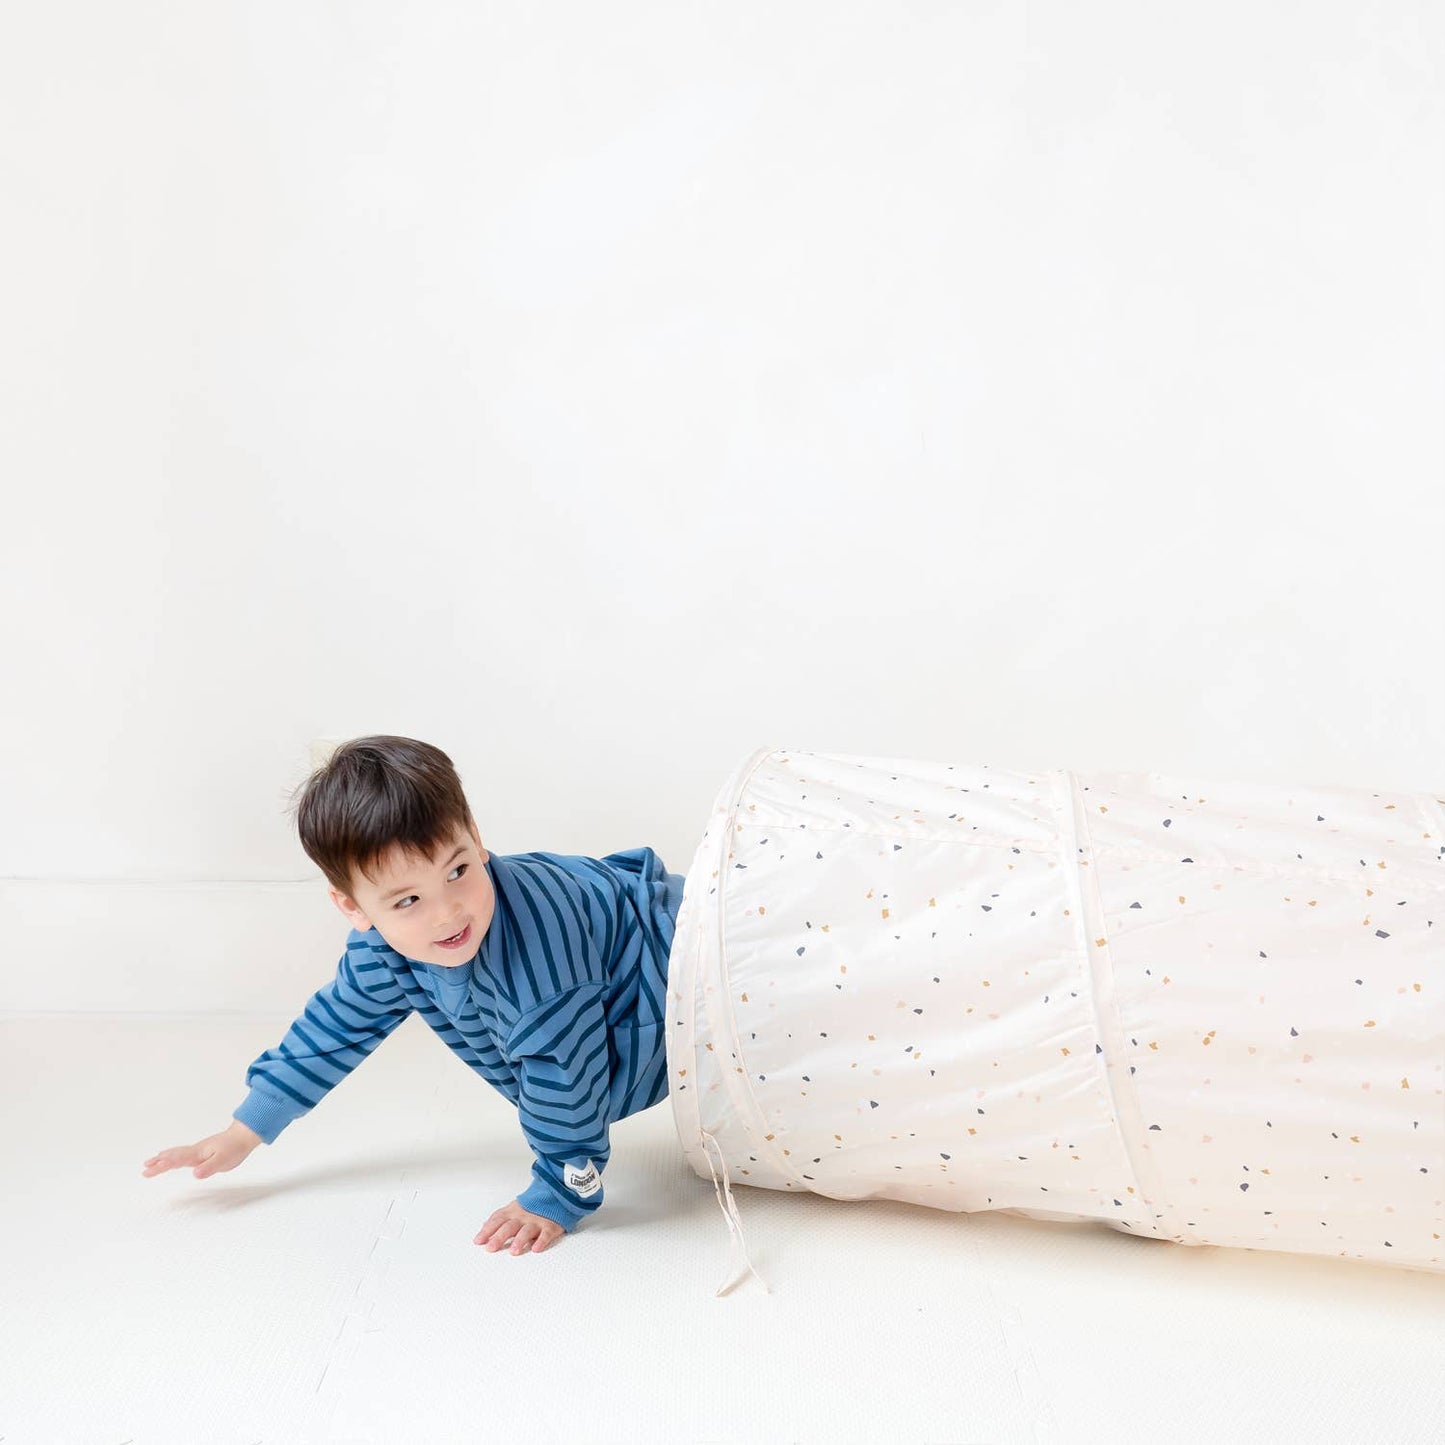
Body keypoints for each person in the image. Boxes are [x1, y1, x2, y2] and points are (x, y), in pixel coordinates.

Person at [141, 734, 686, 1258]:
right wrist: (245, 1131)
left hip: (684, 974)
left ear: (476, 835)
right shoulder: (384, 947)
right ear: (353, 907)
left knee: (571, 1054)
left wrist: (559, 1194)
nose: (448, 913)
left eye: (458, 870)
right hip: (611, 983)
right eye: (407, 900)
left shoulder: (537, 965)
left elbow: (566, 1080)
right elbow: (334, 1029)